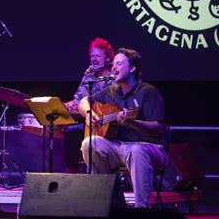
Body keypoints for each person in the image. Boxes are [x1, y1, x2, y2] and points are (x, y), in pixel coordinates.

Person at [78, 48, 168, 208]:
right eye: (113, 64)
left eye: (119, 64)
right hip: (118, 147)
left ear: (132, 68)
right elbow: (83, 101)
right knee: (89, 143)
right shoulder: (111, 91)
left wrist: (131, 122)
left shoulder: (148, 92)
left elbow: (158, 127)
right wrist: (89, 113)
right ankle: (108, 204)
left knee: (137, 151)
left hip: (149, 147)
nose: (113, 68)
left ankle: (141, 210)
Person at [62, 37, 115, 173]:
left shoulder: (115, 78)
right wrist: (59, 108)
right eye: (92, 56)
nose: (94, 59)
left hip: (111, 125)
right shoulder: (88, 77)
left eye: (97, 56)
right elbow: (78, 102)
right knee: (71, 132)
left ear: (108, 59)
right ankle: (71, 174)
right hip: (91, 122)